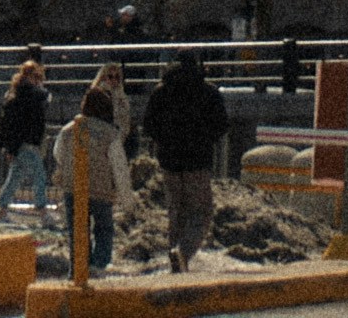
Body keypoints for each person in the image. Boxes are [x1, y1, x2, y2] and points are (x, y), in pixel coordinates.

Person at [143, 54, 234, 271]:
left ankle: (174, 251)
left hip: (169, 160)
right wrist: (205, 139)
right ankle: (183, 252)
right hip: (198, 159)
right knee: (201, 212)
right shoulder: (208, 92)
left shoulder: (161, 91)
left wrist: (165, 141)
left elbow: (149, 125)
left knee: (176, 211)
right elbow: (222, 124)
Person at [62, 65, 133, 272]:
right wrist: (127, 201)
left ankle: (78, 268)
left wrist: (66, 173)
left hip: (74, 188)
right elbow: (119, 168)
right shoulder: (111, 135)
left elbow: (59, 153)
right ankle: (98, 267)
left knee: (78, 231)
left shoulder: (70, 129)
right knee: (104, 229)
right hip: (101, 189)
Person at [0, 59, 55, 226]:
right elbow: (22, 123)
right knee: (39, 174)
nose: (37, 80)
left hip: (19, 144)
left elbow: (8, 124)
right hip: (26, 143)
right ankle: (42, 210)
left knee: (15, 177)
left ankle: (2, 210)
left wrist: (9, 147)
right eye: (35, 76)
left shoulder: (16, 96)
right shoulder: (31, 96)